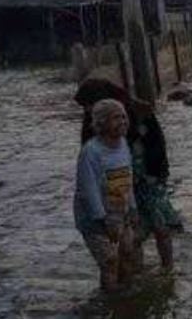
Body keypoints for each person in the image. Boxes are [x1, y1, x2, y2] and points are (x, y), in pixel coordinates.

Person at [75, 78, 182, 272]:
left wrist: (158, 173)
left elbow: (157, 142)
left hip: (147, 175)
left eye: (88, 104)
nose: (87, 110)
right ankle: (137, 272)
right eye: (85, 107)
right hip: (119, 184)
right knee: (134, 232)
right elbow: (89, 163)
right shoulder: (94, 120)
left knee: (161, 225)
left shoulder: (136, 110)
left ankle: (168, 268)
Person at [74, 99, 138, 292]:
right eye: (116, 118)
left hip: (121, 211)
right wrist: (103, 220)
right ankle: (110, 300)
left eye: (124, 117)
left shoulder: (124, 144)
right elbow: (89, 189)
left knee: (128, 252)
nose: (123, 122)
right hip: (95, 218)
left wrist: (133, 208)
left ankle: (127, 294)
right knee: (110, 260)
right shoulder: (91, 151)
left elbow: (128, 179)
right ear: (101, 123)